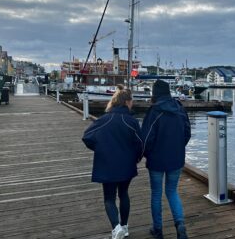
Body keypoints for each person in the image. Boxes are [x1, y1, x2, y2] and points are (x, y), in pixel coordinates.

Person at [82, 85, 143, 239]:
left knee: (109, 198)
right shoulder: (131, 121)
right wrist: (136, 158)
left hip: (107, 164)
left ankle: (116, 228)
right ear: (127, 102)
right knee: (124, 194)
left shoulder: (104, 120)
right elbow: (141, 144)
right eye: (131, 101)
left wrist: (100, 148)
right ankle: (124, 226)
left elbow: (87, 137)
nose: (132, 104)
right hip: (127, 164)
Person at [142, 80, 191, 239]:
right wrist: (178, 148)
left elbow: (146, 138)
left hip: (156, 160)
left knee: (156, 194)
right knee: (172, 191)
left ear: (155, 94)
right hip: (176, 159)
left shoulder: (154, 111)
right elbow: (187, 133)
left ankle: (158, 230)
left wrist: (146, 154)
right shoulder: (179, 108)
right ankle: (180, 224)